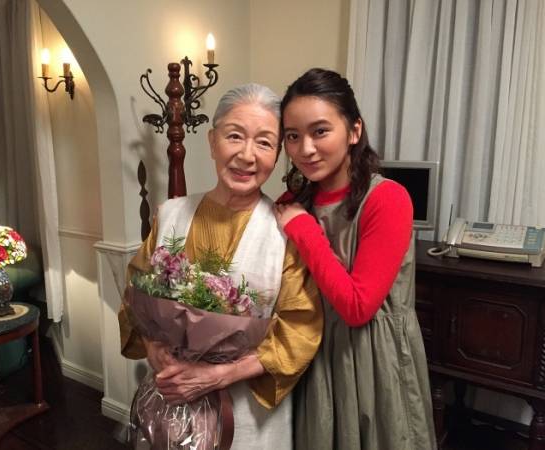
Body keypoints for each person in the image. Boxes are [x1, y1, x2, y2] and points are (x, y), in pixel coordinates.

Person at [118, 83, 322, 450]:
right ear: (212, 142)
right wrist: (153, 347)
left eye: (264, 143)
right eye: (235, 136)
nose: (247, 155)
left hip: (248, 413)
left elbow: (300, 330)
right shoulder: (170, 215)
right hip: (170, 398)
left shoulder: (285, 233)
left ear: (277, 154)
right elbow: (136, 293)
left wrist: (218, 375)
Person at [274, 68, 437, 450]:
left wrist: (304, 229)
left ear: (354, 131)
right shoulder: (293, 203)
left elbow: (358, 307)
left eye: (320, 131)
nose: (305, 149)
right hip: (312, 357)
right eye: (292, 136)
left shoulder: (387, 199)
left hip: (373, 363)